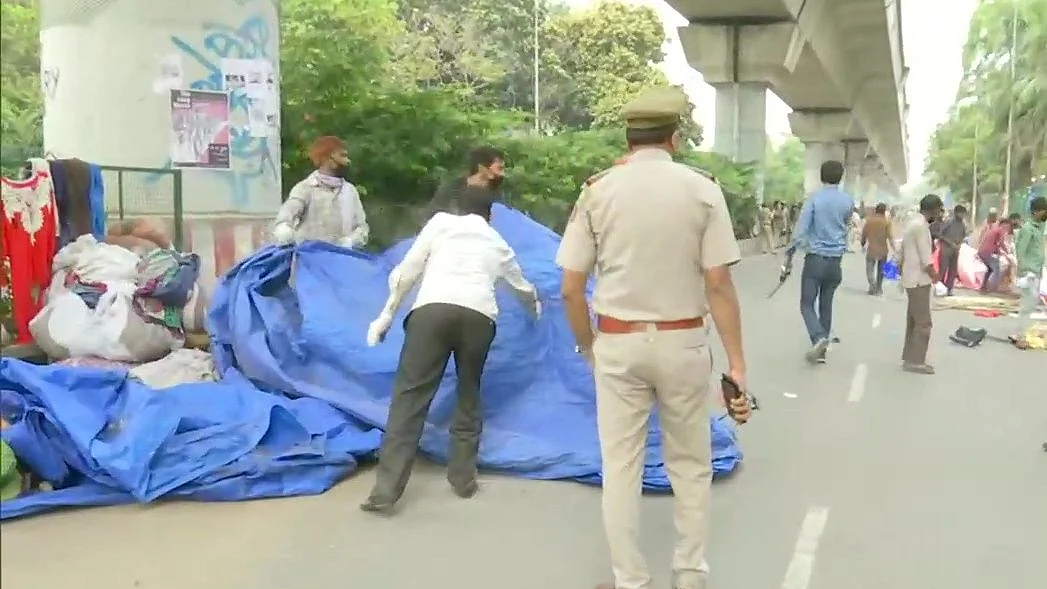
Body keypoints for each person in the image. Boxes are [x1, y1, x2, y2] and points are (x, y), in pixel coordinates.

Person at [555, 86, 752, 589]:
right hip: (684, 343)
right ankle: (689, 575)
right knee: (690, 464)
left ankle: (631, 581)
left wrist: (589, 346)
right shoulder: (702, 190)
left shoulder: (597, 191)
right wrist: (737, 365)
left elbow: (571, 289)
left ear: (628, 135)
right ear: (675, 136)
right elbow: (718, 283)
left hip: (618, 344)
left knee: (621, 467)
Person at [359, 196, 541, 514]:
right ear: (490, 217)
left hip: (432, 312)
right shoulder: (497, 242)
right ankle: (463, 479)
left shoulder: (441, 223)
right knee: (468, 392)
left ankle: (385, 491)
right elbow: (522, 286)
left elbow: (406, 272)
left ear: (458, 209)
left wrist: (386, 314)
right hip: (479, 319)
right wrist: (535, 307)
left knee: (410, 398)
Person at [785, 160, 855, 364]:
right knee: (826, 304)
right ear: (840, 177)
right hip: (835, 262)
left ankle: (818, 337)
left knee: (806, 304)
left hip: (815, 258)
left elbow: (801, 232)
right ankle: (821, 353)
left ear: (821, 177)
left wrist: (789, 254)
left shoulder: (814, 200)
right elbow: (847, 224)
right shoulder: (848, 201)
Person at [273, 136, 369, 247]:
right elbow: (286, 216)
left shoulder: (350, 191)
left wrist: (351, 241)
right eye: (342, 156)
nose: (347, 161)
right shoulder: (305, 188)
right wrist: (284, 231)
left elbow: (362, 227)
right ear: (327, 158)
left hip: (342, 258)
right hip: (310, 259)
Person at [899, 194, 944, 375]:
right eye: (939, 210)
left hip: (911, 278)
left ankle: (909, 357)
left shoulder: (913, 223)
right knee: (924, 322)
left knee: (913, 320)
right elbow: (926, 260)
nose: (939, 214)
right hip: (919, 279)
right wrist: (935, 276)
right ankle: (916, 361)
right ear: (932, 209)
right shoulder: (921, 227)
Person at [425, 146, 506, 219]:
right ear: (482, 168)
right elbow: (433, 216)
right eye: (499, 168)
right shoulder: (453, 188)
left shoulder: (496, 196)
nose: (502, 174)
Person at [1013, 196, 1046, 345]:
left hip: (1036, 272)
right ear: (1036, 212)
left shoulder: (1039, 228)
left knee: (1031, 304)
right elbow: (1021, 252)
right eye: (1044, 211)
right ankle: (1020, 336)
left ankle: (1021, 333)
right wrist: (1025, 273)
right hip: (1029, 273)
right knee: (1027, 306)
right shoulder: (1027, 229)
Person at [977, 213, 1017, 292]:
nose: (1008, 229)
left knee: (990, 269)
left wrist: (1000, 252)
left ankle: (983, 286)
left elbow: (995, 244)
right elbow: (1001, 243)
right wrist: (1008, 252)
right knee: (997, 270)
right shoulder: (1001, 230)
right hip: (987, 252)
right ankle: (993, 288)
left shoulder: (994, 229)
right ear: (1004, 224)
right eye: (1008, 226)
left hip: (982, 251)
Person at [935, 204, 969, 295]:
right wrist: (951, 243)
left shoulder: (962, 224)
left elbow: (963, 235)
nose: (962, 215)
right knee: (943, 269)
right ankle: (939, 288)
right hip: (946, 249)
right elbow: (940, 235)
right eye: (961, 213)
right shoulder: (948, 222)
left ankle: (949, 289)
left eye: (964, 214)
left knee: (953, 270)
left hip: (955, 250)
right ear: (956, 213)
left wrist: (959, 244)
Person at [861, 202, 894, 295]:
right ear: (884, 211)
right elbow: (890, 237)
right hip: (883, 250)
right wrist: (895, 249)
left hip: (871, 249)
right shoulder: (887, 222)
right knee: (881, 270)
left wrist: (862, 243)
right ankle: (878, 289)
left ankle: (872, 285)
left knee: (869, 269)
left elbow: (864, 234)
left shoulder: (870, 221)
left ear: (876, 210)